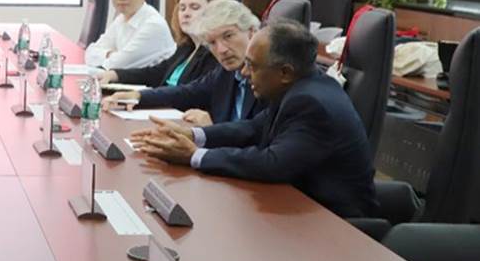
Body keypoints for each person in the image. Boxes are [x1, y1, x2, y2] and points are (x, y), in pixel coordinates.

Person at [131, 19, 377, 218]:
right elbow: (252, 128)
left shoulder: (311, 103)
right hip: (299, 206)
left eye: (252, 66)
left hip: (334, 221)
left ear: (284, 72)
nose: (244, 72)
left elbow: (273, 163)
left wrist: (194, 155)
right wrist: (192, 134)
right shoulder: (300, 86)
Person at [103, 0, 265, 126]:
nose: (221, 49)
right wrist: (138, 96)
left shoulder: (269, 78)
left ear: (252, 32)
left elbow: (259, 140)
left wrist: (213, 128)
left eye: (228, 36)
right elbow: (187, 92)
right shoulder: (225, 72)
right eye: (212, 43)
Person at [99, 0, 220, 88]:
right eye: (182, 8)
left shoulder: (213, 53)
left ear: (212, 11)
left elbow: (189, 93)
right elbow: (157, 73)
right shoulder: (186, 48)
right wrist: (115, 74)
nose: (186, 13)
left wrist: (141, 97)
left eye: (194, 7)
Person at [83, 0, 175, 70]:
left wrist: (111, 57)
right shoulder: (121, 18)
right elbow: (90, 54)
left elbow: (115, 66)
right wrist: (111, 54)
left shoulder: (153, 25)